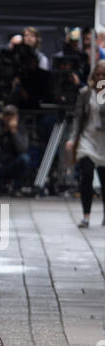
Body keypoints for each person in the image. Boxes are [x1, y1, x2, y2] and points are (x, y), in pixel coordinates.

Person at [65, 60, 105, 228]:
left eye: (104, 75)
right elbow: (77, 118)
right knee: (87, 173)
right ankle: (86, 216)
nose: (100, 77)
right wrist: (72, 139)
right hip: (87, 139)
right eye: (98, 75)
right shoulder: (85, 93)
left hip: (103, 142)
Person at [0, 104, 30, 195]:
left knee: (25, 159)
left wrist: (14, 131)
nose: (9, 118)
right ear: (3, 116)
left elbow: (23, 149)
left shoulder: (20, 128)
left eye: (12, 115)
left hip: (11, 164)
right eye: (7, 115)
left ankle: (17, 188)